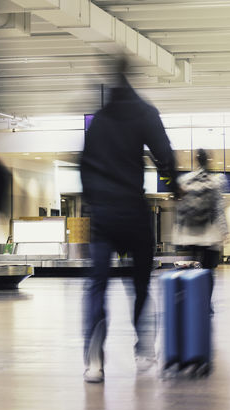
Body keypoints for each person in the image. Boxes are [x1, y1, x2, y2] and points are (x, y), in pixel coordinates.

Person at [80, 57, 177, 384]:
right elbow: (165, 154)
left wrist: (93, 201)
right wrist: (174, 186)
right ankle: (144, 349)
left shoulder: (100, 120)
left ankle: (94, 360)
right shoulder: (145, 113)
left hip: (103, 214)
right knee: (140, 284)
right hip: (133, 209)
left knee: (97, 285)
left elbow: (84, 164)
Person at [172, 148, 227, 312]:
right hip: (209, 235)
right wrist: (225, 230)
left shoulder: (186, 180)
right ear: (208, 160)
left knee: (191, 270)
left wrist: (178, 230)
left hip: (190, 235)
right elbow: (218, 209)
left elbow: (180, 208)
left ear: (196, 160)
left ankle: (191, 301)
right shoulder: (215, 182)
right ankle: (207, 304)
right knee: (208, 271)